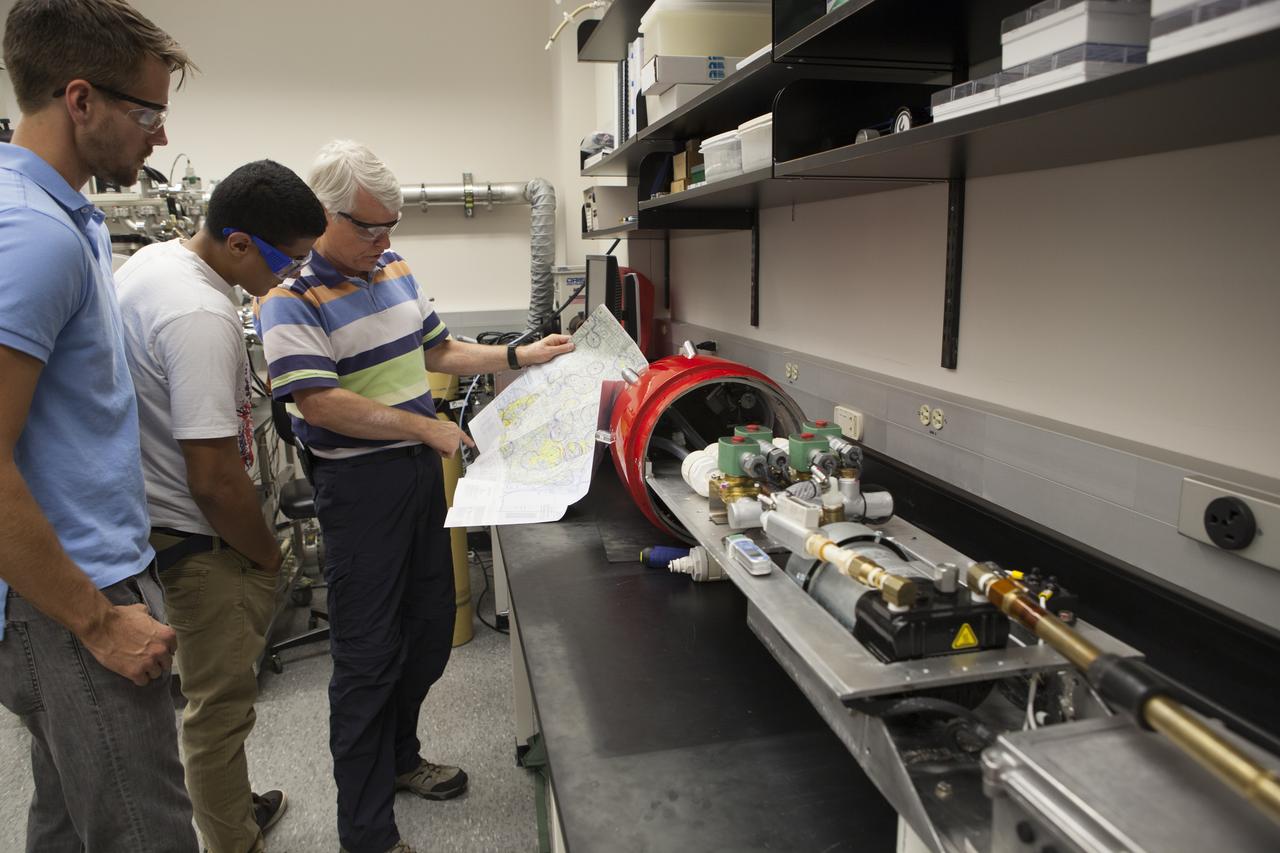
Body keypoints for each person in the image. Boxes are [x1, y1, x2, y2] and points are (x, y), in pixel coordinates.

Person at [257, 139, 574, 853]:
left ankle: (401, 757)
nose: (384, 240)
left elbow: (438, 349)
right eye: (369, 227)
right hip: (358, 488)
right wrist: (423, 426)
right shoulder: (289, 295)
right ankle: (367, 833)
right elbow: (320, 402)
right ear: (324, 215)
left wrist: (520, 355)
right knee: (367, 659)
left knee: (429, 632)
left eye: (391, 225)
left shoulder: (392, 266)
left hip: (418, 475)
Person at [0, 1, 199, 851]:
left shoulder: (61, 216)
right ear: (80, 100)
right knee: (143, 832)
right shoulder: (34, 234)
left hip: (71, 582)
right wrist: (98, 620)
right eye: (148, 114)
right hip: (71, 594)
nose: (161, 137)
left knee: (67, 823)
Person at [115, 159, 328, 853]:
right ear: (239, 244)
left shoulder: (155, 264)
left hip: (154, 515)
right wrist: (263, 554)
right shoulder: (202, 316)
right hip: (201, 534)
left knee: (211, 702)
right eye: (287, 261)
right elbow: (213, 478)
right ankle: (233, 839)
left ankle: (228, 806)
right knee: (219, 707)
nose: (292, 276)